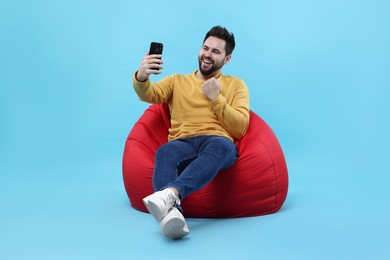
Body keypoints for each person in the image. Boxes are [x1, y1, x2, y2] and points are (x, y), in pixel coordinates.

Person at [132, 25, 250, 240]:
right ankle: (173, 216)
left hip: (216, 144)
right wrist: (142, 76)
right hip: (183, 142)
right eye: (205, 48)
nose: (207, 55)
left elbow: (240, 127)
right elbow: (150, 94)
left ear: (227, 59)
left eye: (216, 52)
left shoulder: (236, 85)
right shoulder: (178, 81)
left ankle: (171, 194)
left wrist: (216, 98)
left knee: (222, 145)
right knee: (165, 152)